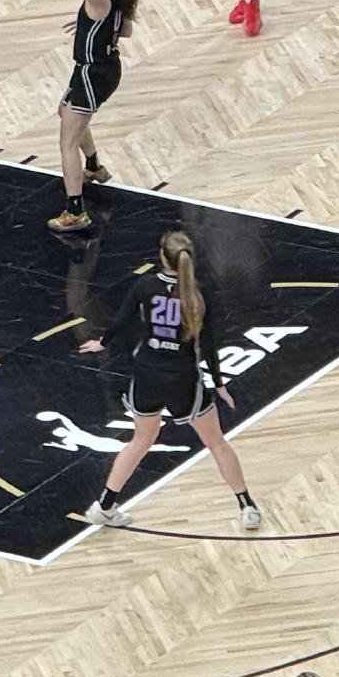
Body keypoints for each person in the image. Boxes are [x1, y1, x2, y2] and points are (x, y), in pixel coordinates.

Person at [76, 225, 258, 530]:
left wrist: (102, 343)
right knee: (215, 442)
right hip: (182, 380)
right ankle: (246, 506)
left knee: (140, 440)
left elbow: (121, 319)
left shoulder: (145, 286)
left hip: (147, 374)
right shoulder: (198, 295)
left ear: (162, 257)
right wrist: (219, 383)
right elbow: (209, 344)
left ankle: (104, 505)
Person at [48, 0, 134, 235]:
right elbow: (123, 30)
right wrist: (87, 25)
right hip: (103, 69)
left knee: (67, 142)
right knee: (64, 111)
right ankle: (95, 166)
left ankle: (75, 211)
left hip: (92, 71)